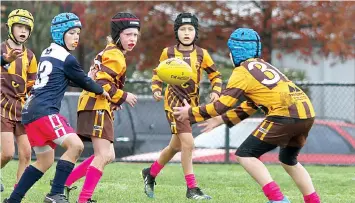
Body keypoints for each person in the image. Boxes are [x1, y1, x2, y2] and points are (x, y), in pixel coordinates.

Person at [173, 28, 321, 203]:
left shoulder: (242, 71)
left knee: (245, 154)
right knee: (288, 159)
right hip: (307, 114)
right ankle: (313, 201)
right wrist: (221, 120)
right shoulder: (264, 65)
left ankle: (278, 199)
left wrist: (190, 113)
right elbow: (252, 104)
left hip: (284, 114)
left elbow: (221, 105)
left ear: (235, 51)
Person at [3, 13, 110, 203]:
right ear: (60, 33)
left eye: (78, 33)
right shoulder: (67, 58)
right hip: (44, 111)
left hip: (30, 111)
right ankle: (55, 193)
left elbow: (68, 78)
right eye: (72, 33)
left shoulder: (48, 52)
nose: (76, 37)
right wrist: (101, 90)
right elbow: (83, 81)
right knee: (75, 145)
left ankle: (13, 200)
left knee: (45, 160)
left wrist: (87, 80)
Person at [141, 12, 222, 200]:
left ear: (196, 32)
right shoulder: (168, 52)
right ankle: (192, 188)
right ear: (176, 32)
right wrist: (156, 89)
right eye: (182, 29)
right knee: (189, 143)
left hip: (191, 105)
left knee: (175, 146)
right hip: (174, 104)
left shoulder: (202, 54)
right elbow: (157, 73)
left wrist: (216, 91)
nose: (186, 33)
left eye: (190, 29)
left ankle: (150, 173)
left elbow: (215, 75)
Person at [62, 12, 140, 203]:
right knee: (103, 154)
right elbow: (102, 81)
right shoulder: (115, 54)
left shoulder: (112, 51)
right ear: (117, 35)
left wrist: (114, 100)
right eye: (128, 34)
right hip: (95, 106)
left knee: (108, 154)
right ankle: (83, 198)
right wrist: (123, 96)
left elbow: (100, 81)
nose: (132, 39)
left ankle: (64, 183)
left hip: (95, 105)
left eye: (135, 35)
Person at [0, 8, 37, 193]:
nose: (23, 31)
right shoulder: (0, 50)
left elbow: (32, 84)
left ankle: (17, 194)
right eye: (19, 27)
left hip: (22, 110)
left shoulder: (30, 56)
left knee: (26, 154)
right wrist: (5, 59)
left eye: (26, 28)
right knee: (7, 154)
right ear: (10, 28)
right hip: (2, 108)